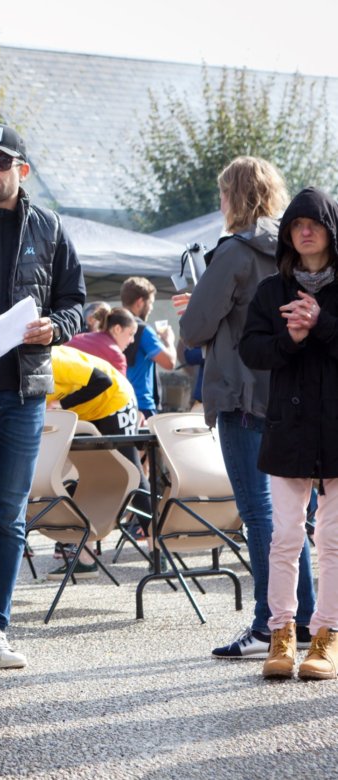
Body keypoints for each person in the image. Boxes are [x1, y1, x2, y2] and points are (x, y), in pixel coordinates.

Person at [0, 123, 85, 669]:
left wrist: (57, 327)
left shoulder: (49, 227)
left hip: (23, 393)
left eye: (0, 163)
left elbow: (74, 301)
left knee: (8, 517)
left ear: (21, 171)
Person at [176, 157, 315, 660]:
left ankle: (268, 623)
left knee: (260, 515)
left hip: (241, 393)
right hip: (290, 393)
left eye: (222, 194)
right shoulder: (294, 252)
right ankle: (302, 619)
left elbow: (194, 328)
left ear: (232, 197)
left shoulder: (234, 251)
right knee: (290, 518)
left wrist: (195, 304)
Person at [240, 186, 338, 681]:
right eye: (296, 224)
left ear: (331, 230)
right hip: (287, 429)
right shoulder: (270, 291)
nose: (305, 231)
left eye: (314, 223)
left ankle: (327, 636)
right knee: (284, 536)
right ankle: (281, 633)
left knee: (333, 539)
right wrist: (290, 338)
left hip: (337, 429)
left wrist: (321, 323)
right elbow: (251, 351)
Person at [44, 345, 141, 579]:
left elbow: (102, 380)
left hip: (115, 400)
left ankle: (159, 546)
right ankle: (83, 555)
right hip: (86, 411)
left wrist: (63, 404)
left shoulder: (56, 361)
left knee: (132, 472)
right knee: (81, 476)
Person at [119, 276, 176, 419]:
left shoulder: (111, 325)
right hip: (142, 406)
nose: (151, 308)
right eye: (150, 303)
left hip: (118, 403)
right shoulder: (143, 330)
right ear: (140, 302)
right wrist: (169, 341)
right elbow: (169, 363)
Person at [67, 305, 136, 376]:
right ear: (117, 329)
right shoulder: (116, 356)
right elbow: (120, 383)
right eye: (131, 334)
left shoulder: (76, 339)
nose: (132, 340)